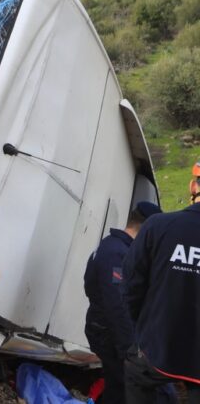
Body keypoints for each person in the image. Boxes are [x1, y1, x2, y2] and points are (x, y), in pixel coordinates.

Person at [122, 166, 200, 404]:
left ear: (193, 186)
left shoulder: (158, 226)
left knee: (136, 376)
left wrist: (144, 332)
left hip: (157, 349)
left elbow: (131, 287)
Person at [83, 201, 162, 404]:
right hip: (110, 334)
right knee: (125, 389)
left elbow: (89, 284)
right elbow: (118, 307)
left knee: (118, 387)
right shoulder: (117, 253)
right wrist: (130, 349)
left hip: (106, 331)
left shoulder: (112, 245)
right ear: (146, 228)